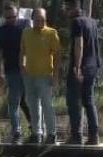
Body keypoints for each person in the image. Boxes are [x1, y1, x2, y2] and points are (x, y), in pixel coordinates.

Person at [64, 0, 102, 145]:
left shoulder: (77, 23)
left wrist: (77, 66)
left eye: (66, 8)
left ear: (71, 8)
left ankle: (76, 136)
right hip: (93, 66)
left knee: (73, 101)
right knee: (89, 100)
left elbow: (79, 44)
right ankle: (94, 135)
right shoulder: (92, 22)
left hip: (81, 66)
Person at [22, 8, 61, 144]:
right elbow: (22, 52)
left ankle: (51, 134)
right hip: (29, 76)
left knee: (47, 105)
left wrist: (55, 76)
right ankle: (37, 133)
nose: (40, 22)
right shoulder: (26, 33)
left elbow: (57, 56)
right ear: (32, 20)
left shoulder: (51, 33)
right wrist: (22, 66)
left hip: (45, 75)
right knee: (33, 105)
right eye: (37, 20)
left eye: (42, 20)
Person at [0, 2, 30, 142]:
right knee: (14, 103)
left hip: (27, 70)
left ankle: (35, 130)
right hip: (12, 71)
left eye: (13, 17)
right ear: (4, 17)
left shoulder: (25, 28)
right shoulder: (0, 31)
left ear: (17, 14)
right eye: (8, 18)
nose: (11, 20)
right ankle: (17, 132)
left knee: (28, 102)